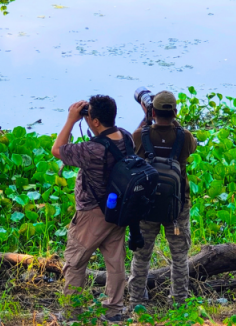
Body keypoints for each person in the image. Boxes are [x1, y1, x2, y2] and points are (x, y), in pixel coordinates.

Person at [51, 95, 131, 322]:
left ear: (95, 121)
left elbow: (58, 150)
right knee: (115, 261)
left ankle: (72, 313)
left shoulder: (92, 149)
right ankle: (114, 310)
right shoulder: (125, 137)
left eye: (89, 117)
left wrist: (70, 119)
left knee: (75, 262)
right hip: (117, 210)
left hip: (91, 214)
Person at [128, 91, 197, 308]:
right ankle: (178, 302)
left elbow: (130, 148)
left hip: (146, 207)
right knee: (179, 258)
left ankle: (137, 301)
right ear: (175, 112)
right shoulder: (185, 137)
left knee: (141, 257)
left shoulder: (140, 136)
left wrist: (147, 118)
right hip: (177, 208)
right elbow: (191, 148)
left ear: (153, 111)